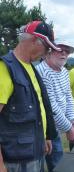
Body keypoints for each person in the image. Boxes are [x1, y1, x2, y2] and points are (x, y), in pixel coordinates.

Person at [0, 21, 60, 172]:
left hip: (34, 153)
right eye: (47, 48)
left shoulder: (30, 67)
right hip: (16, 161)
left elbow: (38, 106)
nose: (47, 54)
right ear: (33, 40)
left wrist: (45, 136)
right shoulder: (5, 69)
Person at [36, 43, 74, 171]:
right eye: (60, 50)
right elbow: (50, 106)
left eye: (67, 52)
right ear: (49, 52)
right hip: (43, 128)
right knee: (48, 164)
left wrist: (73, 122)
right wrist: (68, 128)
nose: (64, 54)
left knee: (57, 162)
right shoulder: (42, 72)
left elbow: (68, 97)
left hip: (55, 126)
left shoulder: (64, 72)